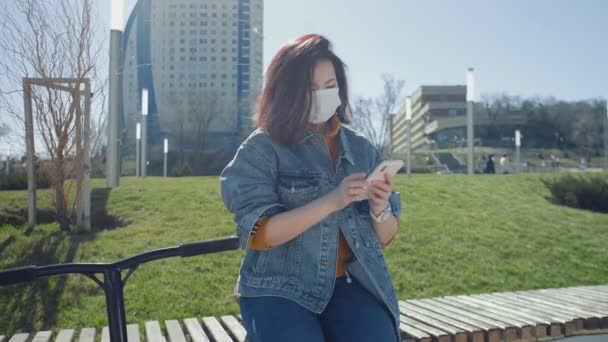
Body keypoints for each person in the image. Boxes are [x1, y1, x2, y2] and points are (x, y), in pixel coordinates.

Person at [220, 35, 402, 342]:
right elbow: (258, 233)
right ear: (287, 91)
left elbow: (386, 236)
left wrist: (379, 208)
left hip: (348, 285)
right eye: (311, 88)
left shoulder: (361, 149)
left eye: (330, 86)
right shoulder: (262, 149)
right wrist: (332, 200)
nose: (323, 96)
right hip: (277, 288)